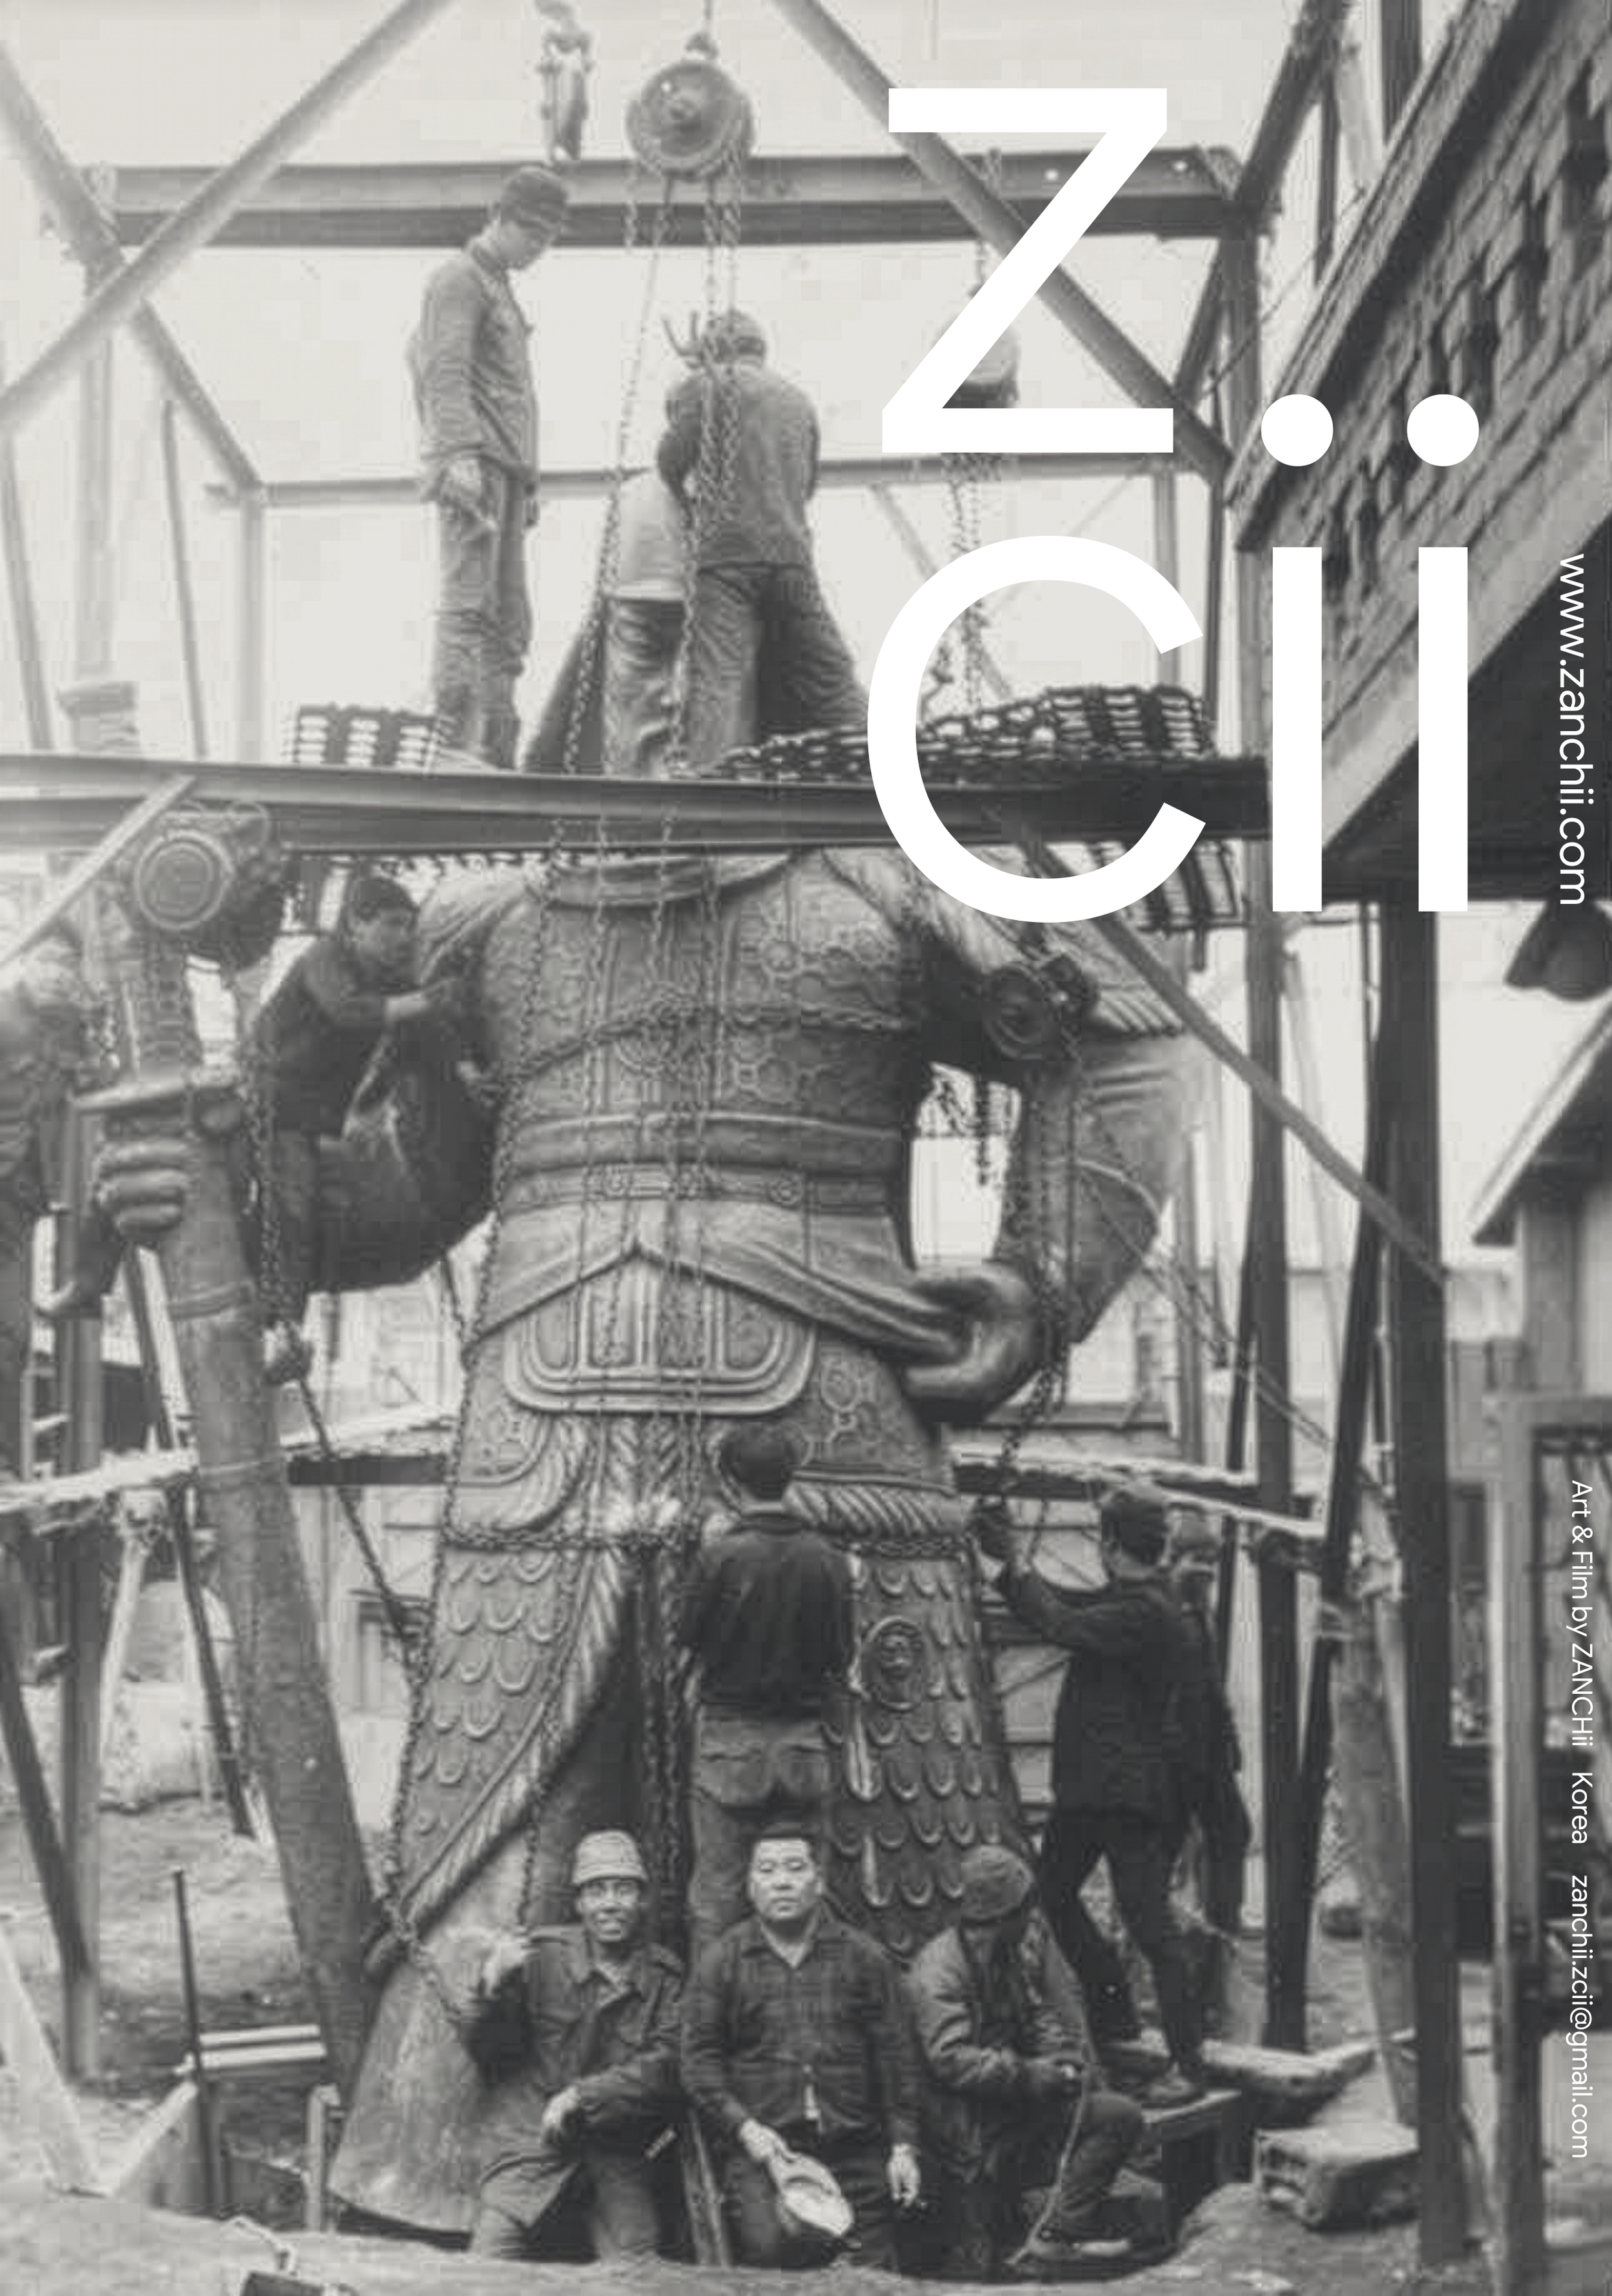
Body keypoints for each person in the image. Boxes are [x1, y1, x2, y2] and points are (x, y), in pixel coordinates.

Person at [987, 1486, 1206, 2106]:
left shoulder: (1147, 1611)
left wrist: (1012, 1561)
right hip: (1090, 1790)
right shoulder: (1135, 1600)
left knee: (1152, 1927)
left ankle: (1189, 2068)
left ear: (1108, 1543)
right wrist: (1007, 1567)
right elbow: (1059, 1607)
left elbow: (1060, 1622)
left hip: (1127, 1796)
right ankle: (1117, 2017)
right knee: (1053, 1896)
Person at [681, 1825, 923, 2270]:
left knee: (872, 2272)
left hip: (854, 2147)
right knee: (775, 2256)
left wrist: (903, 2147)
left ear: (819, 1880)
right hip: (767, 2153)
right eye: (767, 1870)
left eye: (796, 1867)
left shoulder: (864, 1958)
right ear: (751, 1887)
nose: (782, 1881)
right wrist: (745, 2128)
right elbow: (699, 2064)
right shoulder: (723, 1961)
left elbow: (898, 2058)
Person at [248, 876, 459, 1376]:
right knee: (292, 1209)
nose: (404, 937)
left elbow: (427, 1035)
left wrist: (467, 1069)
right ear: (355, 925)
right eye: (391, 924)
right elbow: (347, 1011)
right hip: (268, 1105)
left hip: (314, 1116)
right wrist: (429, 998)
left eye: (409, 926)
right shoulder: (325, 958)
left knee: (325, 1208)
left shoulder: (394, 981)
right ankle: (283, 1331)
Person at [906, 1845, 1146, 2278]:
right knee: (977, 2267)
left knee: (1119, 2116)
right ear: (1003, 1915)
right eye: (1026, 1909)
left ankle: (1056, 2235)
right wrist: (1031, 2073)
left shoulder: (1008, 1954)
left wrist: (1063, 2056)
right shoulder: (938, 1971)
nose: (1033, 1919)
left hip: (1015, 2111)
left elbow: (1035, 2014)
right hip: (965, 2134)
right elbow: (950, 2060)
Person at [408, 163, 569, 771]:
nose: (539, 250)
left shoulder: (498, 286)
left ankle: (493, 752)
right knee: (468, 605)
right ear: (501, 219)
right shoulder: (459, 280)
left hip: (504, 472)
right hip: (475, 469)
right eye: (534, 236)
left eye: (549, 240)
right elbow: (442, 371)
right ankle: (448, 747)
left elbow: (511, 395)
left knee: (508, 619)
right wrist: (457, 456)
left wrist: (526, 481)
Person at [656, 309, 864, 767]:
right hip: (791, 557)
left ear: (714, 353)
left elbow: (670, 459)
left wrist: (687, 500)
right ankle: (881, 763)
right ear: (760, 349)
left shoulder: (707, 383)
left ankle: (712, 789)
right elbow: (807, 484)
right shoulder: (798, 400)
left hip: (726, 559)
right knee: (829, 676)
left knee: (720, 682)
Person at [464, 1829, 683, 2261]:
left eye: (624, 1890)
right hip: (533, 2146)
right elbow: (491, 2053)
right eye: (597, 1891)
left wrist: (583, 2096)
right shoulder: (541, 1956)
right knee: (487, 2265)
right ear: (580, 1903)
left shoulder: (664, 1976)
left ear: (642, 1901)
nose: (610, 1903)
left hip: (615, 2150)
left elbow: (667, 2064)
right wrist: (493, 1983)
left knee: (639, 2273)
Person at [679, 1423, 853, 1956]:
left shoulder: (721, 1556)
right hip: (804, 1749)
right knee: (803, 1891)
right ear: (788, 1477)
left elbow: (688, 1641)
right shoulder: (827, 1558)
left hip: (731, 1750)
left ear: (732, 1482)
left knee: (719, 1894)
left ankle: (713, 2020)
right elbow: (841, 1658)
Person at [0, 921, 106, 1471]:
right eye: (45, 959)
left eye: (67, 962)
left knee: (13, 1339)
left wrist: (93, 1030)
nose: (56, 973)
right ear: (22, 961)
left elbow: (95, 1083)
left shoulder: (71, 1028)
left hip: (18, 1202)